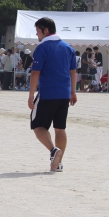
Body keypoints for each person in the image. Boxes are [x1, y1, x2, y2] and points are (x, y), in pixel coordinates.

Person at [28, 17, 77, 172]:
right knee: (60, 128)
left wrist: (30, 96)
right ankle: (59, 163)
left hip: (48, 93)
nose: (37, 35)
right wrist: (73, 92)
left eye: (38, 31)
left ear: (46, 30)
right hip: (64, 94)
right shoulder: (68, 48)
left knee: (37, 125)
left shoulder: (42, 48)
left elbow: (35, 73)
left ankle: (53, 150)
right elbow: (73, 72)